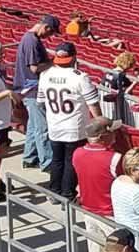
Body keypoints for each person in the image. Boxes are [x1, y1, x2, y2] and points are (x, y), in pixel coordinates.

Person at [37, 40, 100, 200]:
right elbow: (92, 104)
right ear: (74, 57)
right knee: (71, 161)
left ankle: (54, 191)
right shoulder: (80, 77)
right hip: (74, 127)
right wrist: (100, 122)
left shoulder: (45, 75)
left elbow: (41, 102)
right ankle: (67, 193)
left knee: (57, 160)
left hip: (55, 125)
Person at [13, 14, 59, 174]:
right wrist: (53, 63)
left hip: (27, 88)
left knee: (33, 125)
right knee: (42, 127)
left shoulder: (29, 38)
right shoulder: (32, 40)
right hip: (31, 89)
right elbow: (34, 68)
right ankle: (47, 162)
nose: (50, 36)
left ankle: (30, 157)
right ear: (45, 27)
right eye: (51, 32)